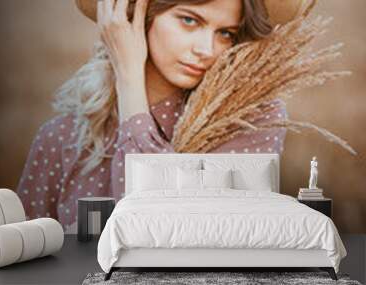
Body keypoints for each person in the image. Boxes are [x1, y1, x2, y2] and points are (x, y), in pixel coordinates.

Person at [16, 0, 306, 232]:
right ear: (137, 15)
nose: (206, 49)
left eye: (225, 33)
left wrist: (129, 82)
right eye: (190, 20)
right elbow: (27, 252)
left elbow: (156, 225)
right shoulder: (61, 137)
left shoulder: (250, 119)